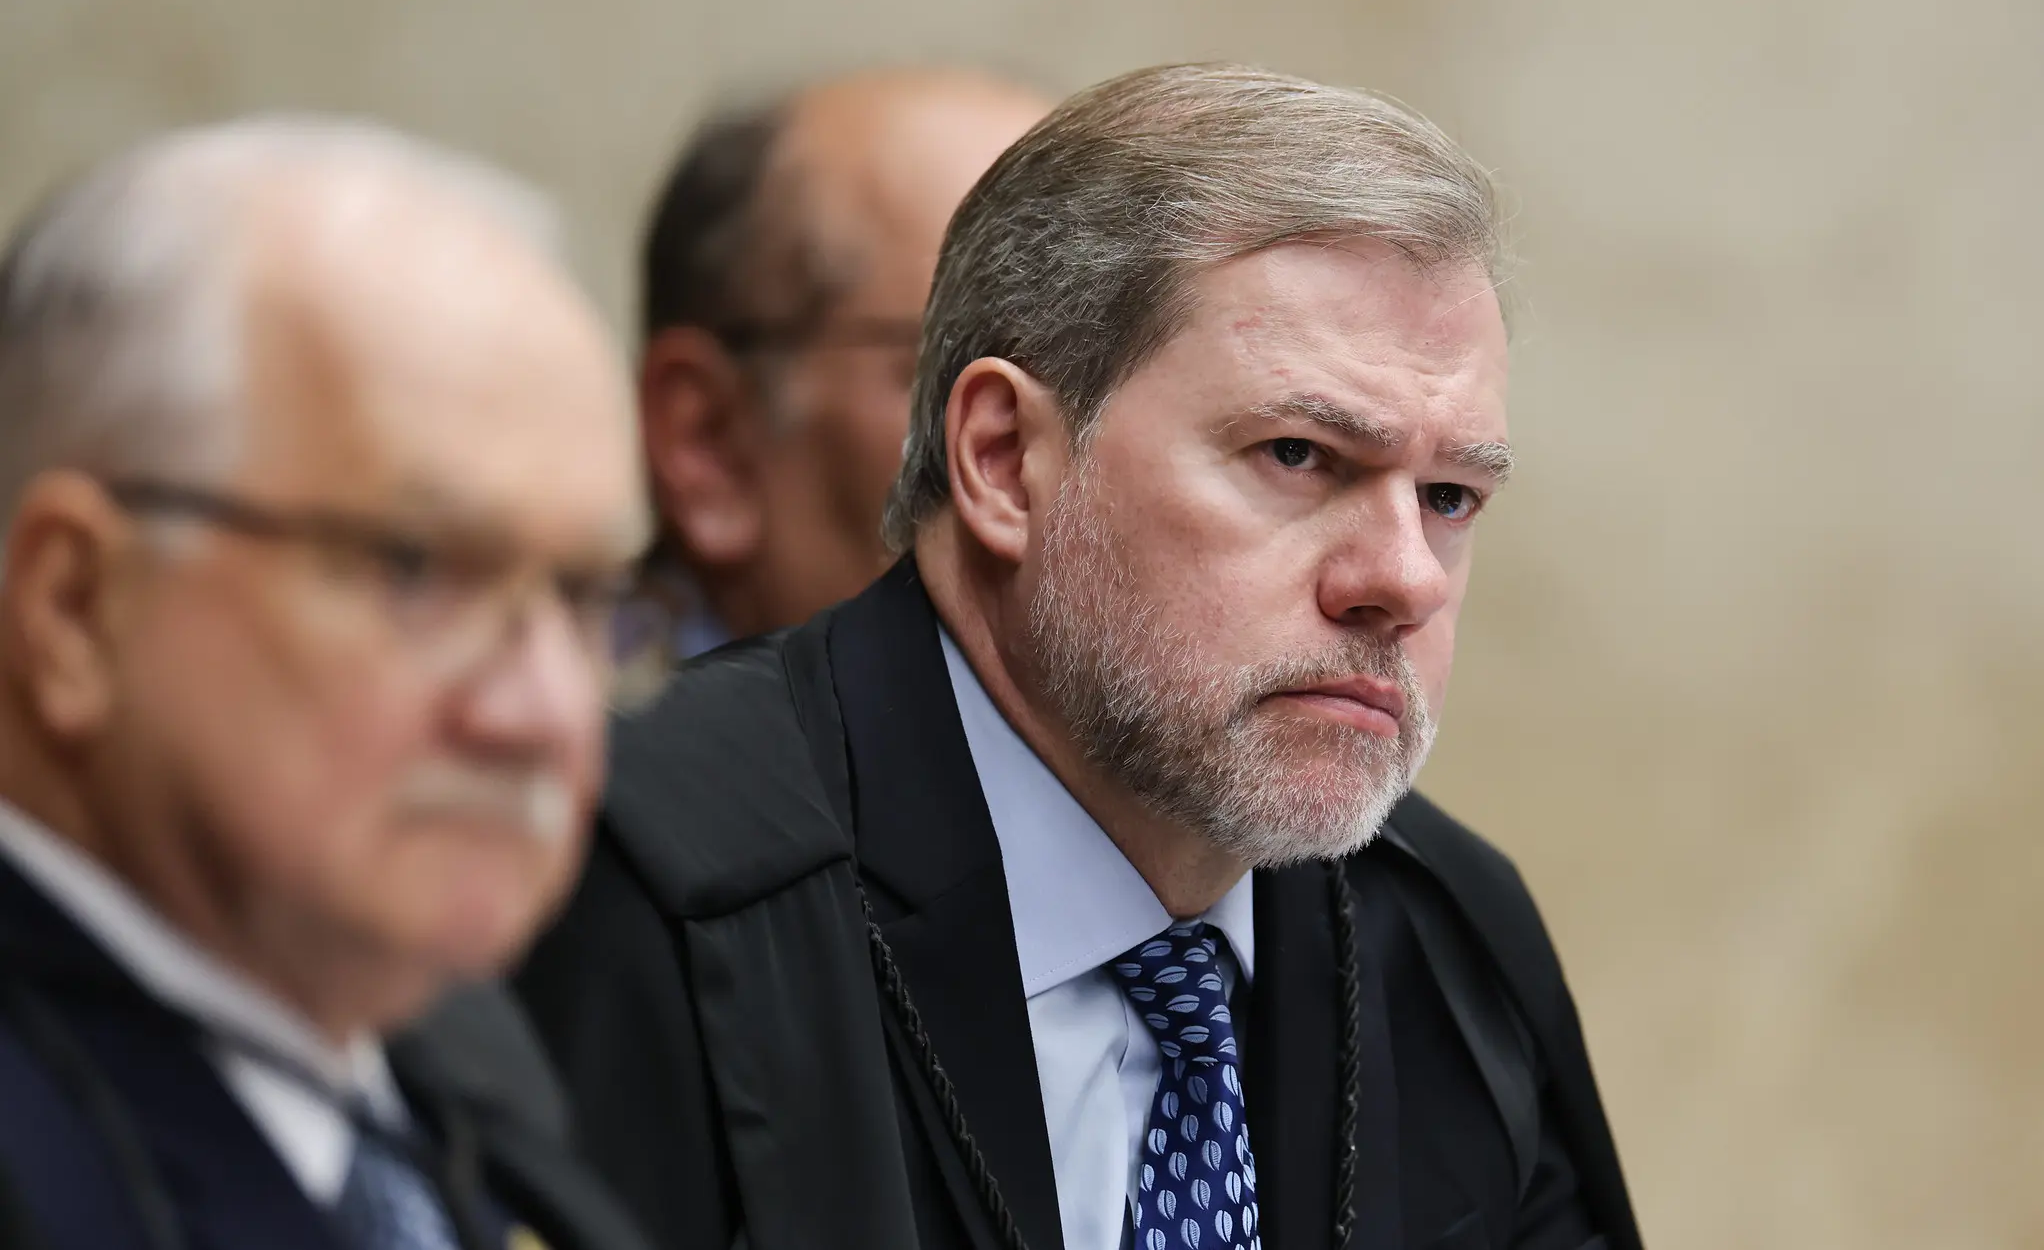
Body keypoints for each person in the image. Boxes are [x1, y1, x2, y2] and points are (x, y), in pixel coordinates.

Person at [516, 63, 1644, 1250]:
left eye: (1450, 496)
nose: (1405, 581)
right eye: (1298, 456)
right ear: (1003, 460)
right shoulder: (631, 886)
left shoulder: (1449, 937)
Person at [0, 119, 655, 1250]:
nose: (545, 712)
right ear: (76, 605)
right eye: (416, 568)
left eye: (587, 594)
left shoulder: (466, 1081)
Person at [616, 69, 1050, 692]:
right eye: (976, 372)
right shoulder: (549, 738)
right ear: (709, 442)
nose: (1091, 452)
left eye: (1106, 372)